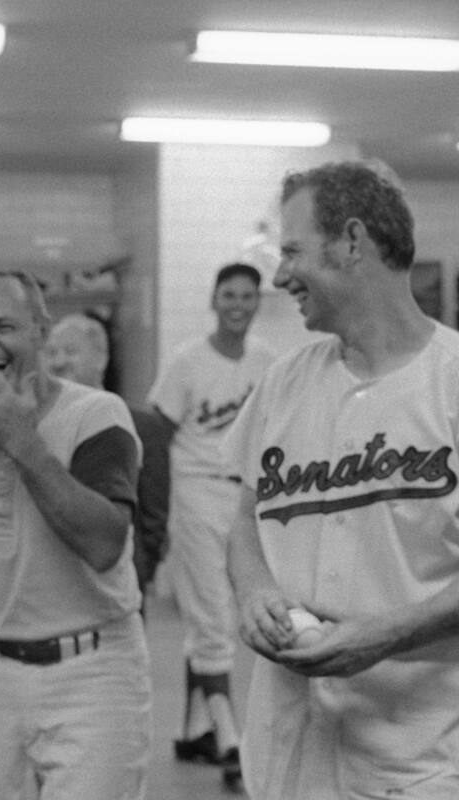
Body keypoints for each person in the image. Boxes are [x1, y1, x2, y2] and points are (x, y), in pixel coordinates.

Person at [225, 160, 459, 800]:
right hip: (287, 744)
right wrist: (255, 589)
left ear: (351, 241)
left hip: (411, 754)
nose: (280, 275)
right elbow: (246, 517)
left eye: (292, 251)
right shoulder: (283, 384)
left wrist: (384, 635)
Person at [0, 269, 152, 800]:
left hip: (93, 675)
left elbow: (105, 545)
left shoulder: (98, 415)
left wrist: (21, 440)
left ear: (40, 329)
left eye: (4, 325)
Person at [146, 261, 275, 790]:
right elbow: (158, 431)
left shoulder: (268, 360)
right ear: (214, 300)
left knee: (217, 609)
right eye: (229, 295)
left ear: (257, 301)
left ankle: (194, 727)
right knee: (212, 614)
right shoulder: (187, 360)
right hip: (196, 489)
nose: (238, 305)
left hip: (246, 494)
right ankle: (229, 739)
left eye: (247, 296)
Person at [43, 312, 171, 608]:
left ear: (101, 359)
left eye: (71, 351)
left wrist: (141, 568)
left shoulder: (142, 425)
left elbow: (154, 513)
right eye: (51, 352)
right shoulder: (38, 426)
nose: (59, 361)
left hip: (121, 578)